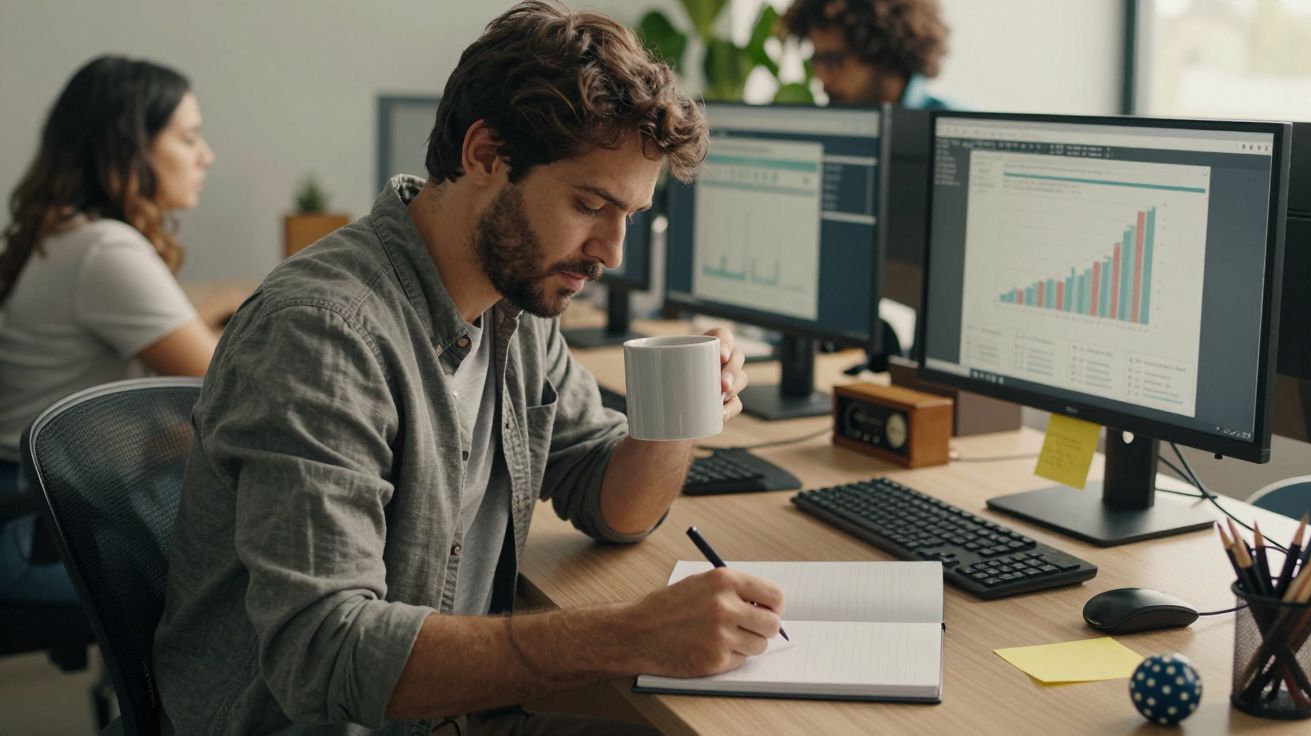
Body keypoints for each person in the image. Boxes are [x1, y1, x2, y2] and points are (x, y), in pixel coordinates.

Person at [153, 3, 782, 734]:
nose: (611, 252)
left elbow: (610, 500)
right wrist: (631, 634)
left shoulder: (516, 299)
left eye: (630, 217)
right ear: (485, 155)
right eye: (589, 204)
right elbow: (324, 653)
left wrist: (681, 408)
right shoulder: (324, 334)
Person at [0, 55, 236, 604]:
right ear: (129, 151)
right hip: (37, 537)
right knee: (242, 589)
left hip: (38, 512)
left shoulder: (65, 234)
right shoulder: (103, 250)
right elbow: (227, 383)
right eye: (188, 137)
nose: (206, 155)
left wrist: (210, 314)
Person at [781, 0, 951, 109]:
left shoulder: (956, 127)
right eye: (817, 60)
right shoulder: (835, 126)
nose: (823, 78)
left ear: (883, 51)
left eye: (834, 61)